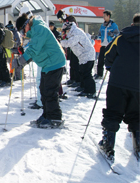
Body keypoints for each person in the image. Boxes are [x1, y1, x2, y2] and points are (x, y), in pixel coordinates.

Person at [98, 13, 140, 162]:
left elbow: (108, 55)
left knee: (113, 112)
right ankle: (139, 145)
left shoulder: (121, 37)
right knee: (136, 114)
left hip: (118, 82)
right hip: (138, 85)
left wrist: (110, 67)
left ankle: (108, 145)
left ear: (133, 23)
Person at [13, 13, 66, 128]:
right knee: (43, 90)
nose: (23, 34)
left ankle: (55, 117)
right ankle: (47, 114)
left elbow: (34, 49)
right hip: (47, 64)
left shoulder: (38, 28)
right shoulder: (35, 31)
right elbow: (33, 49)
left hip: (54, 63)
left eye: (22, 30)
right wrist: (23, 58)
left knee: (50, 92)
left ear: (26, 25)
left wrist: (20, 61)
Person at [60, 22, 96, 98]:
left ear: (69, 29)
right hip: (83, 56)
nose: (65, 32)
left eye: (65, 31)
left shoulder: (76, 32)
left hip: (87, 55)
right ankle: (84, 87)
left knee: (87, 74)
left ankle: (91, 91)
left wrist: (59, 43)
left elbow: (70, 43)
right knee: (82, 72)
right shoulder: (73, 33)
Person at [95, 10, 119, 79]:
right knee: (100, 60)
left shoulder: (114, 25)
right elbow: (99, 35)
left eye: (104, 16)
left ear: (108, 16)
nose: (103, 17)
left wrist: (112, 35)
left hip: (110, 45)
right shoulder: (102, 26)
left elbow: (117, 35)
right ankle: (99, 74)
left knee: (111, 60)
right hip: (103, 45)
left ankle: (114, 74)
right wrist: (96, 37)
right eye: (103, 16)